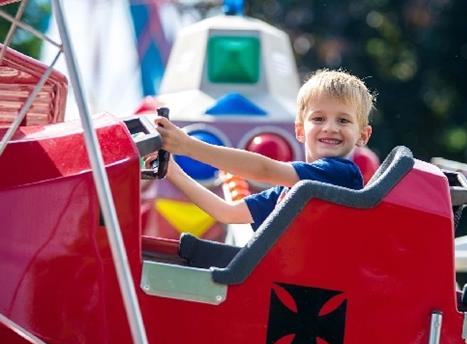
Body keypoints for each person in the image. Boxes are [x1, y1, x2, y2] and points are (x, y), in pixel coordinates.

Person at [152, 69, 375, 231]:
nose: (330, 128)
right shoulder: (291, 191)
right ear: (299, 130)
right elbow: (227, 212)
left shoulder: (340, 173)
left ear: (363, 135)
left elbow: (264, 170)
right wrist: (172, 171)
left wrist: (188, 146)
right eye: (318, 118)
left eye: (343, 120)